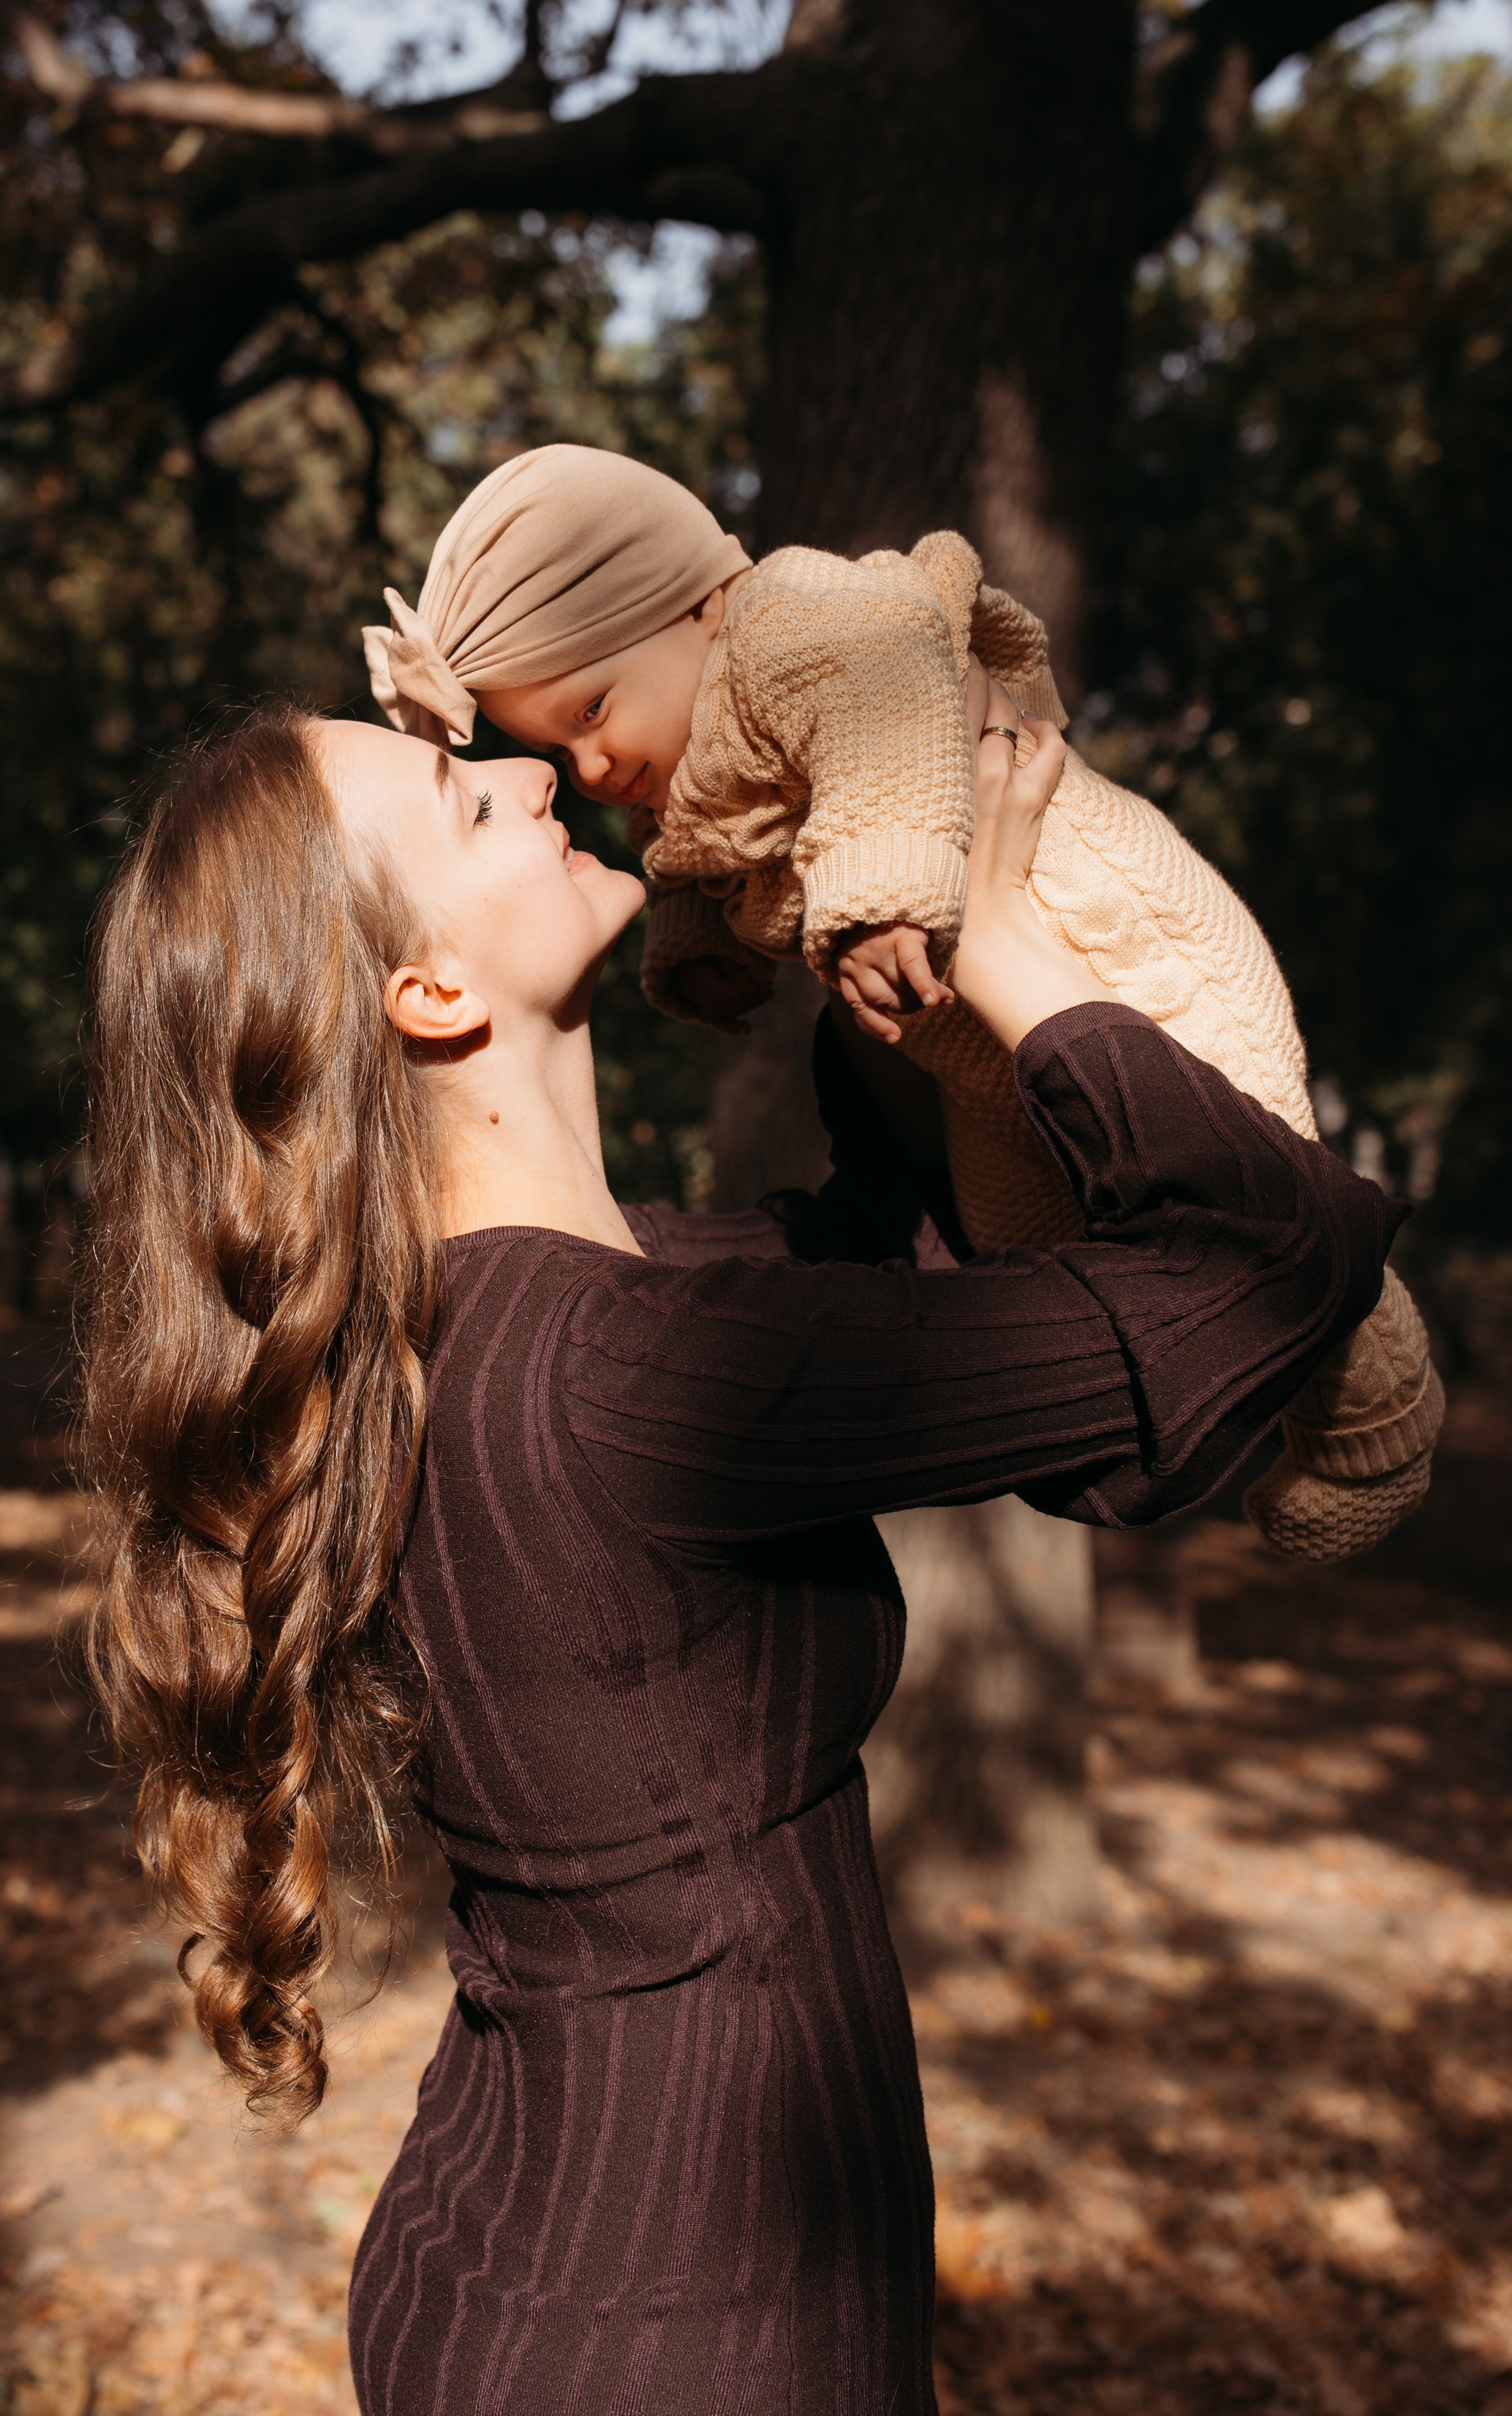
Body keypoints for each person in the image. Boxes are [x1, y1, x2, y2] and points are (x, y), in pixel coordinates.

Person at [79, 686, 1399, 2415]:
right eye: (465, 803)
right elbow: (1255, 1279)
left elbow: (882, 1256)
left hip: (523, 2270)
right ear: (430, 993)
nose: (530, 772)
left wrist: (874, 974)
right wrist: (1009, 952)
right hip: (686, 2337)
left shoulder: (484, 1335)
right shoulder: (620, 1379)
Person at [363, 443, 1442, 1566]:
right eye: (554, 744)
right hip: (974, 1044)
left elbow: (888, 736)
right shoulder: (688, 752)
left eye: (591, 711)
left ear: (694, 606)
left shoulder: (792, 621)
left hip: (1106, 940)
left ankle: (1374, 1414)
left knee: (1261, 1173)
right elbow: (699, 856)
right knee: (1024, 1246)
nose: (583, 770)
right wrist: (700, 948)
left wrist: (885, 906)